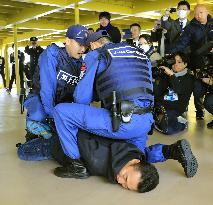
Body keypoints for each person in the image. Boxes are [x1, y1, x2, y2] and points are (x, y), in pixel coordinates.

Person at [52, 30, 158, 177]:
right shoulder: (139, 53)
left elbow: (81, 99)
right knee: (134, 158)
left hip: (121, 123)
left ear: (93, 44)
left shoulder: (97, 54)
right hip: (146, 123)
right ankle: (165, 151)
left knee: (61, 111)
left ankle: (75, 166)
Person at [17, 129, 198, 193]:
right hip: (58, 144)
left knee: (145, 152)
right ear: (135, 164)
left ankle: (170, 150)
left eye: (125, 185)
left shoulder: (134, 153)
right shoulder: (97, 161)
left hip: (86, 136)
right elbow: (76, 150)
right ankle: (38, 134)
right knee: (23, 153)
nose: (120, 181)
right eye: (125, 178)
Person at [23, 25, 88, 140]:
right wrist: (53, 115)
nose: (83, 49)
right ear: (68, 41)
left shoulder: (81, 62)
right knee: (38, 115)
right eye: (80, 44)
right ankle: (33, 132)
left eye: (85, 46)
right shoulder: (53, 53)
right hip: (41, 98)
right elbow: (47, 88)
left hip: (63, 102)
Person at [170, 4, 213, 120]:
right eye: (196, 13)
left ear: (207, 12)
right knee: (198, 90)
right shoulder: (191, 27)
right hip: (198, 62)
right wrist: (171, 54)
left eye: (201, 13)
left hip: (212, 63)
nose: (199, 16)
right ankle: (199, 110)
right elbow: (182, 43)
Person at [153, 52, 194, 134]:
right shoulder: (166, 75)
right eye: (174, 61)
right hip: (161, 106)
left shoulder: (189, 78)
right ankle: (159, 118)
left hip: (175, 109)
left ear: (185, 64)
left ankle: (182, 123)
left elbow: (178, 90)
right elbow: (157, 93)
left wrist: (172, 75)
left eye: (179, 62)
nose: (175, 64)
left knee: (168, 129)